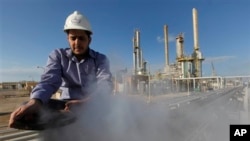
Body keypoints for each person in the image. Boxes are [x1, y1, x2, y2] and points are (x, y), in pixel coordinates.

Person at [8, 10, 113, 130]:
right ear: (67, 38)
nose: (77, 43)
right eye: (73, 38)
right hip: (66, 106)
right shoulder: (58, 55)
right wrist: (35, 102)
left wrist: (86, 103)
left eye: (81, 38)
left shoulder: (100, 59)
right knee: (28, 107)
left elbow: (105, 85)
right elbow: (49, 81)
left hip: (92, 105)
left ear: (89, 40)